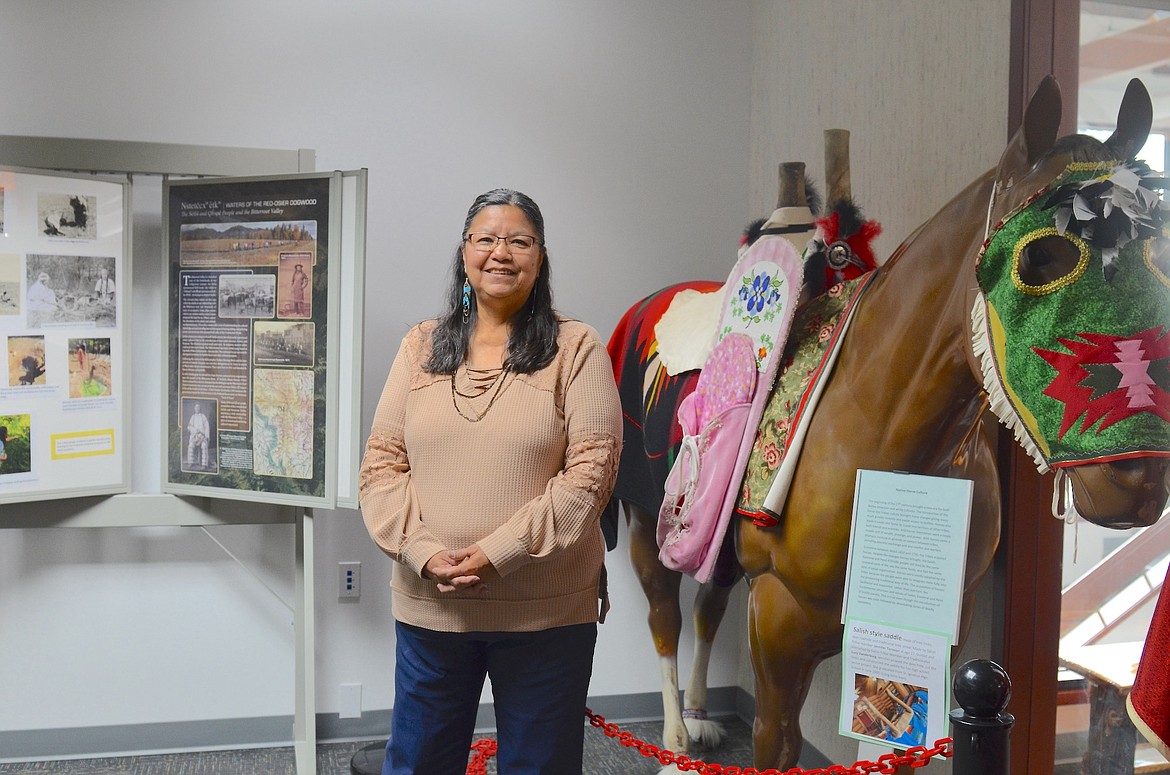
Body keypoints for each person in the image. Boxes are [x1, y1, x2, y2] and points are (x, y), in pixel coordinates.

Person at [359, 189, 622, 775]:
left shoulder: (576, 347)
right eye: (486, 238)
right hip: (433, 607)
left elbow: (591, 473)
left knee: (539, 766)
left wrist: (496, 553)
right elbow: (381, 464)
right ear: (464, 253)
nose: (500, 253)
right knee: (419, 763)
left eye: (519, 241)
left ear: (541, 257)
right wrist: (425, 554)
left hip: (545, 613)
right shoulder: (421, 346)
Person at [186, 402, 210, 469]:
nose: (197, 408)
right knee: (190, 446)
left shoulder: (203, 416)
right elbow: (189, 426)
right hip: (195, 436)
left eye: (198, 407)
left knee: (204, 446)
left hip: (202, 436)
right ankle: (190, 462)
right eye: (196, 407)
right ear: (194, 408)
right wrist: (194, 430)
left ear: (200, 408)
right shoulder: (192, 417)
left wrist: (206, 435)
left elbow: (207, 427)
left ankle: (204, 464)